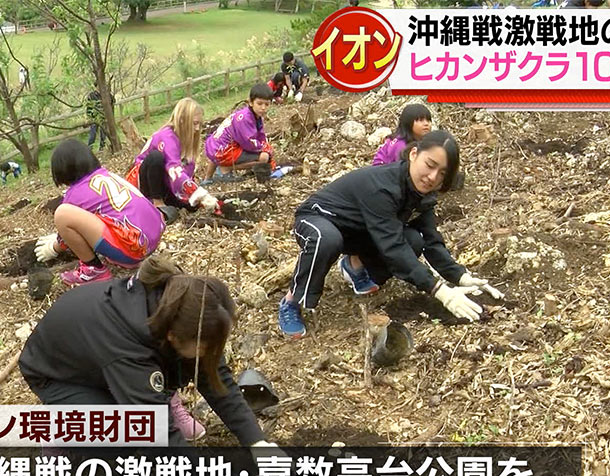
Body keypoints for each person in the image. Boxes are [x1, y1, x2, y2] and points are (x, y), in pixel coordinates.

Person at [19, 256, 276, 446]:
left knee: (164, 375)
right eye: (205, 348)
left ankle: (152, 396)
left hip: (100, 356)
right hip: (58, 375)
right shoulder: (127, 349)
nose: (212, 353)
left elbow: (213, 375)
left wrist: (257, 443)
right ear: (172, 336)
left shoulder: (182, 304)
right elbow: (160, 439)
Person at [276, 131, 504, 338]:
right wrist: (439, 291)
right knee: (327, 240)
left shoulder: (422, 195)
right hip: (319, 219)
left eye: (442, 173)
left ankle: (354, 267)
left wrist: (459, 276)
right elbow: (392, 247)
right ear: (414, 154)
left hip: (360, 229)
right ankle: (291, 301)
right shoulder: (383, 187)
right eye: (430, 164)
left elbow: (431, 240)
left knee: (414, 240)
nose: (433, 177)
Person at [33, 139, 164, 286]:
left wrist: (54, 248)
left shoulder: (74, 195)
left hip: (135, 248)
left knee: (62, 214)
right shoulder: (106, 175)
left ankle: (93, 270)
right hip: (154, 235)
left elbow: (67, 236)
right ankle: (122, 253)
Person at [126, 98, 220, 221]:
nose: (197, 129)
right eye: (194, 123)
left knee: (192, 205)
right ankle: (157, 203)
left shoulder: (186, 139)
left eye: (199, 124)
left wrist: (197, 196)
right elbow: (174, 170)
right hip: (143, 184)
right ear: (182, 121)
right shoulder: (167, 136)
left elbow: (186, 172)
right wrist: (199, 193)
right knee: (156, 157)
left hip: (164, 182)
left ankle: (167, 203)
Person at [201, 84, 276, 184]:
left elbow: (260, 135)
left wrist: (265, 144)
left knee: (221, 146)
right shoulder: (245, 118)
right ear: (250, 102)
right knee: (264, 157)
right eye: (259, 103)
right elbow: (249, 143)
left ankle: (208, 178)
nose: (263, 108)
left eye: (266, 104)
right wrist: (265, 148)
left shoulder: (253, 115)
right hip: (224, 150)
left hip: (215, 146)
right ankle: (226, 169)